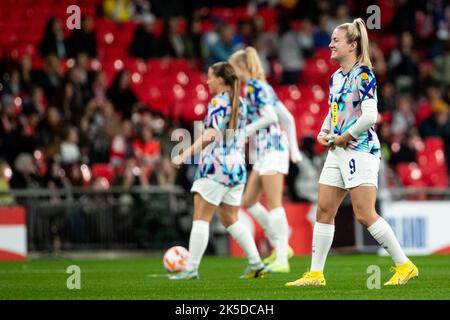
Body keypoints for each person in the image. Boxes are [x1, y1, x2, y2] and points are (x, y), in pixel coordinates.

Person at [286, 18, 419, 287]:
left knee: (364, 214)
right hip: (338, 151)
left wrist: (344, 137)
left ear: (352, 45)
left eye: (336, 40)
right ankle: (315, 274)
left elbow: (371, 116)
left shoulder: (365, 75)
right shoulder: (336, 77)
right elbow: (334, 112)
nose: (330, 44)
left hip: (360, 150)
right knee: (323, 210)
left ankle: (404, 265)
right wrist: (326, 131)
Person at [170, 62, 265, 280]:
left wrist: (185, 154)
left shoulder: (218, 102)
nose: (207, 80)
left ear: (221, 80)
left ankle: (191, 268)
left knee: (201, 218)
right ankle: (256, 263)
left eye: (210, 76)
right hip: (237, 168)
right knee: (230, 218)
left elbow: (211, 134)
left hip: (216, 167)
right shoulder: (239, 102)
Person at [229, 47, 302, 274]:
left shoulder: (253, 87)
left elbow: (270, 117)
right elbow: (287, 118)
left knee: (274, 203)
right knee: (249, 201)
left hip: (271, 150)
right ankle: (283, 247)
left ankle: (282, 257)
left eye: (233, 68)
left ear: (242, 68)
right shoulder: (264, 87)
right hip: (266, 153)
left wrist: (245, 131)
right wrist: (294, 150)